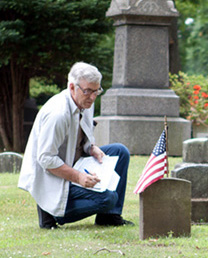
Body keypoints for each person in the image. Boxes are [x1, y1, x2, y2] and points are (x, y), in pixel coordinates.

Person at [18, 62, 133, 229]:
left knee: (120, 152)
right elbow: (45, 159)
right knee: (109, 198)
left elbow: (81, 137)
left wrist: (91, 148)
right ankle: (54, 212)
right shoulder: (58, 114)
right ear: (72, 87)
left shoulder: (85, 102)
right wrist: (79, 177)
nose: (92, 97)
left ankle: (109, 217)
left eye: (96, 91)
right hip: (53, 177)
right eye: (87, 91)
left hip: (76, 162)